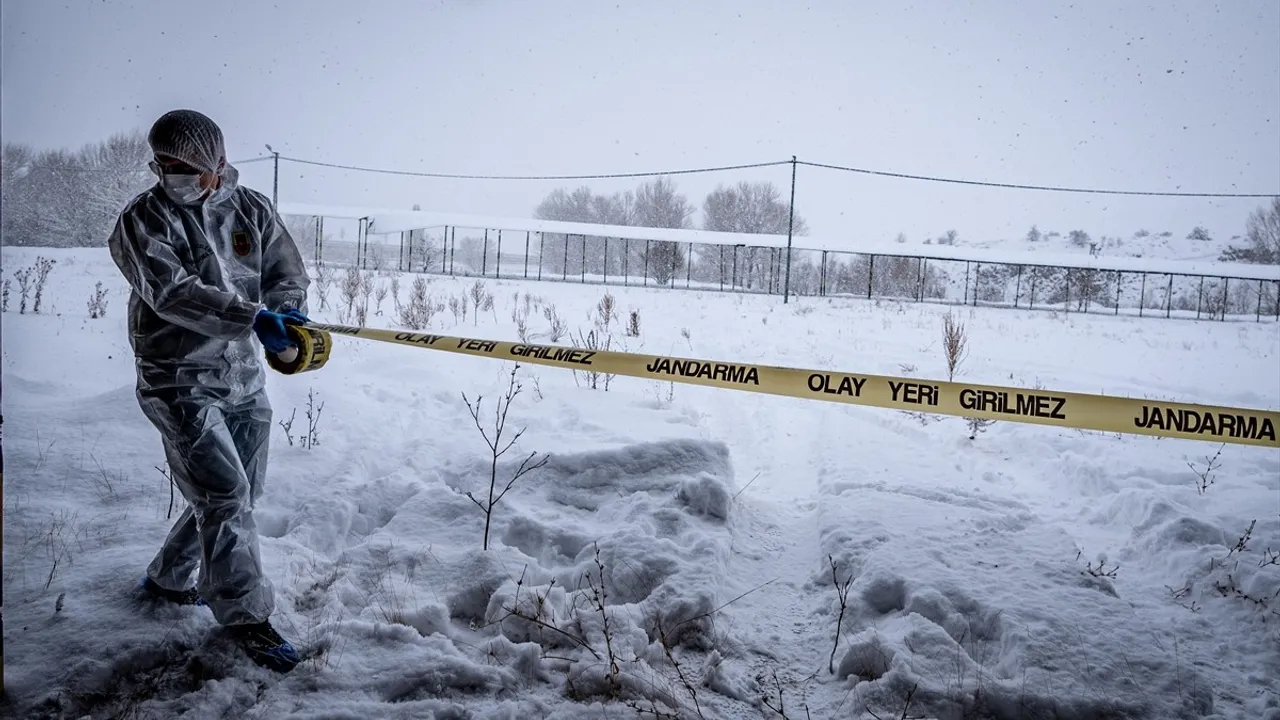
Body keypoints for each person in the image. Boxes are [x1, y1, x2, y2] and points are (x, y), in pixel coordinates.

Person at [107, 109, 312, 673]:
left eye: (189, 165)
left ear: (217, 162)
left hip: (243, 375)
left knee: (241, 491)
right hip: (177, 378)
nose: (175, 174)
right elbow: (172, 293)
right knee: (224, 495)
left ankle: (171, 578)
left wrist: (286, 310)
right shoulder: (142, 220)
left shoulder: (251, 210)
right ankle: (245, 617)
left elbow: (284, 270)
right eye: (166, 164)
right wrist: (251, 316)